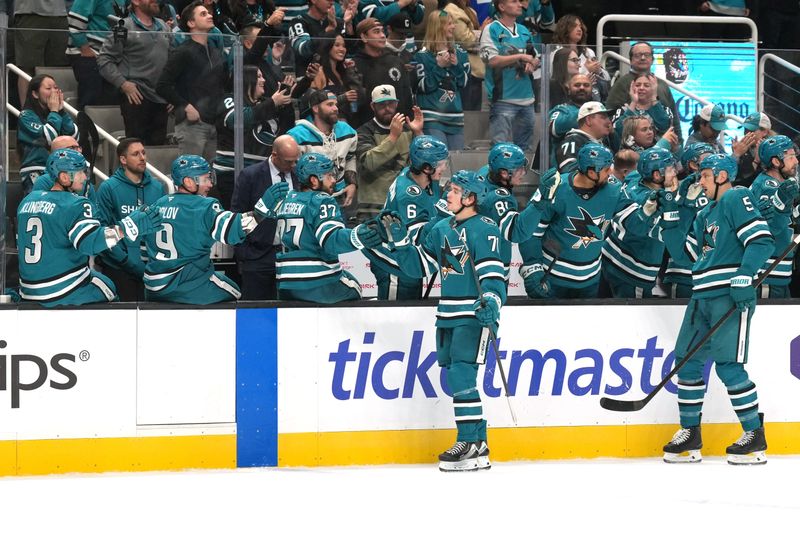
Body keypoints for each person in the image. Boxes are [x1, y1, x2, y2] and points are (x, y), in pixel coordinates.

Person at [376, 170, 506, 471]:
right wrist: (401, 243)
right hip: (446, 314)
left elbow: (493, 277)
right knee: (455, 376)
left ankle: (469, 441)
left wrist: (492, 303)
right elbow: (418, 268)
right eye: (449, 189)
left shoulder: (485, 229)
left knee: (462, 375)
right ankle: (479, 443)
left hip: (473, 315)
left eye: (455, 191)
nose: (447, 194)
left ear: (470, 198)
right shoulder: (441, 228)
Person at [658, 153, 774, 465]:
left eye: (706, 176)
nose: (701, 182)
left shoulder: (736, 197)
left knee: (727, 366)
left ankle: (754, 434)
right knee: (687, 362)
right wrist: (672, 212)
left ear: (722, 176)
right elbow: (685, 256)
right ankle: (690, 432)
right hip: (701, 296)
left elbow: (761, 241)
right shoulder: (704, 213)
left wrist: (745, 275)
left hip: (728, 295)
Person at [16, 149, 161, 306]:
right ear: (64, 177)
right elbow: (90, 244)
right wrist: (126, 227)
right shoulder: (75, 204)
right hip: (61, 291)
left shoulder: (27, 201)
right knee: (108, 286)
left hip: (28, 290)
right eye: (80, 172)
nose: (85, 177)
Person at [519, 142, 657, 299]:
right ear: (592, 172)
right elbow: (530, 231)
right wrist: (532, 266)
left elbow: (634, 225)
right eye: (606, 169)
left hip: (590, 281)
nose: (611, 172)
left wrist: (647, 211)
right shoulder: (555, 188)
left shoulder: (614, 190)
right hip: (553, 278)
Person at [143, 155, 287, 303]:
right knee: (236, 292)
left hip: (153, 286)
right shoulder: (204, 206)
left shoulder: (158, 204)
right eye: (205, 179)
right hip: (187, 284)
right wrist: (260, 211)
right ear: (188, 182)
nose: (210, 184)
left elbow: (142, 242)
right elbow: (234, 230)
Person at [272, 152, 384, 303]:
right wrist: (358, 235)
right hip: (318, 282)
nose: (333, 180)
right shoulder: (322, 200)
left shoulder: (286, 199)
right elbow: (331, 241)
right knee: (355, 287)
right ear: (314, 180)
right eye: (329, 176)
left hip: (286, 284)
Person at [363, 135, 449, 300]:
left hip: (407, 261)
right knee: (397, 310)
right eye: (440, 164)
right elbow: (416, 239)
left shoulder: (416, 175)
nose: (444, 167)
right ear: (426, 168)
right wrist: (443, 215)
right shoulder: (409, 196)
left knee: (411, 306)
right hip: (394, 260)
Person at [95, 138, 167, 302]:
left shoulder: (157, 187)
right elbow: (102, 230)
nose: (142, 157)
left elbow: (163, 226)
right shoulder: (108, 188)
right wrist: (127, 261)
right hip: (118, 268)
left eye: (143, 153)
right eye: (135, 154)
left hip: (152, 268)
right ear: (123, 159)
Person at [232, 135, 301, 300]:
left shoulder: (300, 174)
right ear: (274, 155)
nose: (293, 165)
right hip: (258, 256)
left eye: (296, 160)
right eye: (289, 161)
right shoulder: (250, 175)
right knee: (257, 309)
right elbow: (237, 214)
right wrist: (245, 254)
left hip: (294, 257)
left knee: (293, 309)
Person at [157, 1, 227, 163]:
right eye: (203, 14)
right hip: (192, 124)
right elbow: (162, 85)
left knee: (209, 174)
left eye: (208, 12)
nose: (209, 15)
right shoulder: (183, 51)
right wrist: (186, 106)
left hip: (214, 122)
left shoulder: (215, 52)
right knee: (190, 171)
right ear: (191, 23)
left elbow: (222, 84)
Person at [601, 146, 677, 298]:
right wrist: (671, 193)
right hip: (632, 271)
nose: (675, 172)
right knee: (632, 312)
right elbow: (669, 232)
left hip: (610, 256)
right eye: (670, 169)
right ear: (657, 175)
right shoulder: (652, 202)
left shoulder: (634, 177)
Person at [214, 65, 293, 209]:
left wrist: (285, 105)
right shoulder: (230, 99)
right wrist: (273, 102)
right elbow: (237, 120)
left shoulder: (266, 104)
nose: (263, 80)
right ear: (246, 79)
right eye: (258, 76)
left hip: (262, 173)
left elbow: (285, 131)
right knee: (239, 217)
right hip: (232, 172)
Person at [97, 0, 173, 146]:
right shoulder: (124, 27)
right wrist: (123, 84)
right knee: (136, 148)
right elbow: (104, 59)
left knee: (158, 149)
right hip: (136, 97)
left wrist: (172, 91)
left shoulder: (164, 26)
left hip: (161, 98)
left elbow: (172, 61)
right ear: (136, 2)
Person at [356, 85, 424, 222]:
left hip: (402, 202)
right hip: (373, 206)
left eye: (391, 104)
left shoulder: (407, 130)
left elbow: (424, 163)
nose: (387, 108)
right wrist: (393, 137)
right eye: (382, 105)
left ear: (397, 104)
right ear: (373, 106)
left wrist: (418, 133)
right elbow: (369, 162)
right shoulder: (363, 132)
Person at [476, 142, 543, 282]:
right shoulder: (498, 198)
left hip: (479, 255)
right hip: (493, 264)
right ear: (504, 173)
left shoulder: (486, 172)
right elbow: (516, 232)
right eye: (519, 169)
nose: (523, 172)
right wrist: (539, 201)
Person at [480, 0, 539, 150]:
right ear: (501, 6)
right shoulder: (491, 29)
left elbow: (535, 57)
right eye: (514, 1)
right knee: (500, 149)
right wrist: (520, 57)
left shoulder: (524, 30)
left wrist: (532, 64)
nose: (520, 4)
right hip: (503, 99)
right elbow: (491, 60)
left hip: (527, 99)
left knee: (524, 149)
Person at [289, 90, 359, 208]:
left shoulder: (348, 131)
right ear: (316, 108)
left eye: (336, 104)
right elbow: (290, 170)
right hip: (308, 201)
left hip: (340, 198)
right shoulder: (297, 136)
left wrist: (352, 183)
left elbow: (350, 157)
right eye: (330, 104)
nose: (336, 108)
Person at [749, 135, 799, 299]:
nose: (796, 161)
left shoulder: (776, 184)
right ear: (776, 162)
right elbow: (772, 228)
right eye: (790, 157)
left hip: (777, 276)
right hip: (768, 276)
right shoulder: (768, 187)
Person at [662, 142, 714, 298]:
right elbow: (674, 230)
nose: (714, 161)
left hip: (712, 271)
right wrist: (685, 206)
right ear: (693, 164)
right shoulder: (679, 189)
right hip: (683, 273)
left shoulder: (720, 189)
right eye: (708, 157)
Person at [412, 9, 470, 150]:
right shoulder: (422, 56)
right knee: (438, 158)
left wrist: (456, 66)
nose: (453, 27)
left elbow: (464, 83)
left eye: (453, 23)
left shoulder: (460, 53)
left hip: (455, 118)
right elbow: (423, 87)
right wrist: (439, 67)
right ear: (438, 26)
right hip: (432, 118)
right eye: (449, 24)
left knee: (456, 161)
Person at [17, 75, 80, 194]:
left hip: (60, 170)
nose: (54, 92)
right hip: (36, 170)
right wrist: (55, 112)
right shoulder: (26, 116)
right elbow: (49, 138)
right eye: (48, 88)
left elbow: (73, 137)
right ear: (35, 94)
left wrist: (61, 111)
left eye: (55, 88)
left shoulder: (55, 113)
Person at [605, 41, 681, 138]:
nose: (643, 58)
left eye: (647, 54)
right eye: (638, 55)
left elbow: (673, 118)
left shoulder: (662, 84)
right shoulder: (621, 84)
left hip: (661, 141)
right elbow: (610, 117)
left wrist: (679, 140)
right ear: (631, 60)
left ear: (652, 59)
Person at [352, 18, 415, 129]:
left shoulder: (396, 61)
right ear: (364, 37)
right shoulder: (355, 65)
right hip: (368, 129)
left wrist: (410, 123)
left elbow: (407, 97)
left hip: (400, 126)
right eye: (376, 32)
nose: (382, 36)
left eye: (382, 31)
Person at [66, 0, 124, 108]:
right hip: (88, 54)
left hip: (109, 56)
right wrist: (85, 48)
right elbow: (75, 20)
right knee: (90, 100)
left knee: (110, 103)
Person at [12, 0, 69, 107]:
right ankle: (26, 112)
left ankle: (55, 109)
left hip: (60, 13)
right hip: (29, 12)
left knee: (57, 68)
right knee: (27, 66)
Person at [550, 14, 610, 102]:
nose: (579, 29)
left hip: (591, 96)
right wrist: (586, 70)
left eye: (580, 26)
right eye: (574, 26)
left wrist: (598, 71)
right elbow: (557, 77)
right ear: (564, 29)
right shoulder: (557, 52)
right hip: (565, 96)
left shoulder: (588, 52)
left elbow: (606, 78)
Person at [612, 73, 678, 149]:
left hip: (657, 152)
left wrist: (654, 97)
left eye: (646, 85)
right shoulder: (623, 110)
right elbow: (619, 131)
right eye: (637, 85)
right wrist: (633, 102)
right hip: (629, 153)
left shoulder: (664, 110)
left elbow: (665, 127)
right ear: (632, 87)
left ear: (654, 88)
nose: (641, 88)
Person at [290, 0, 354, 77]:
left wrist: (348, 25)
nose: (332, 2)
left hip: (335, 77)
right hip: (308, 78)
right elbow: (303, 50)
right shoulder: (299, 22)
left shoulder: (338, 22)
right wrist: (329, 30)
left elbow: (348, 50)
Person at [310, 35, 364, 124]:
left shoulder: (344, 71)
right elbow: (314, 102)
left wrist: (351, 71)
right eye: (337, 45)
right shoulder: (320, 72)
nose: (342, 49)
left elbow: (359, 96)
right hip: (329, 123)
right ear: (328, 47)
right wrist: (341, 98)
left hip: (349, 120)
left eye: (344, 46)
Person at [441, 0, 483, 111]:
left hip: (476, 69)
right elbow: (466, 41)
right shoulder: (452, 11)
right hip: (466, 68)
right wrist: (482, 31)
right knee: (467, 111)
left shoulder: (469, 10)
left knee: (474, 113)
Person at [547, 73, 593, 166]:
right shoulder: (561, 110)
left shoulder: (599, 109)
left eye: (586, 85)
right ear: (569, 90)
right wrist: (589, 112)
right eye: (577, 85)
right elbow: (554, 128)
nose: (582, 88)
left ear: (592, 89)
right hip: (565, 168)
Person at [554, 101, 613, 174]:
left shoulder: (604, 144)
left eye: (608, 117)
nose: (609, 122)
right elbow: (569, 171)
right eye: (603, 117)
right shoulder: (573, 141)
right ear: (588, 120)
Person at [732, 112, 773, 188]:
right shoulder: (743, 151)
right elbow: (738, 182)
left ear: (765, 132)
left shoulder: (775, 149)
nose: (746, 134)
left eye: (751, 131)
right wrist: (735, 155)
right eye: (745, 130)